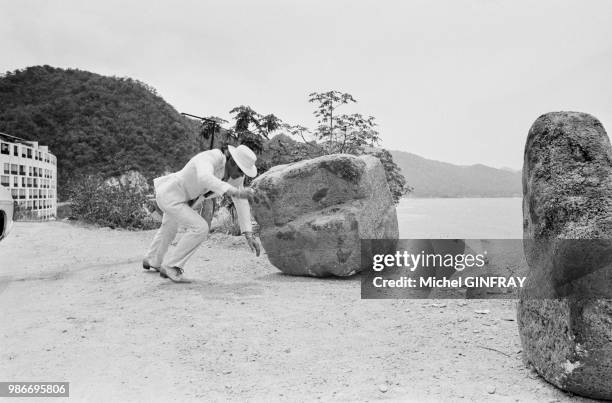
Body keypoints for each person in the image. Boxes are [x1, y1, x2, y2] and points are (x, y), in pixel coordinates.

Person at [143, 144, 261, 282]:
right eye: (241, 171)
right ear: (232, 161)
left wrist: (248, 234)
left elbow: (241, 201)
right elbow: (205, 177)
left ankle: (151, 260)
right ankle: (172, 267)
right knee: (200, 228)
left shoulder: (236, 177)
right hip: (171, 194)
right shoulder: (213, 157)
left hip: (184, 201)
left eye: (243, 173)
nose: (241, 175)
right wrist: (233, 191)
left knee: (169, 228)